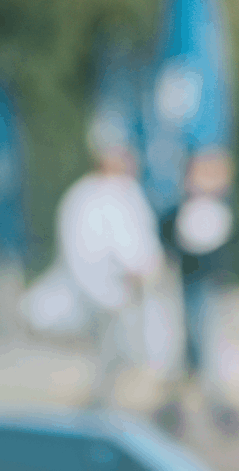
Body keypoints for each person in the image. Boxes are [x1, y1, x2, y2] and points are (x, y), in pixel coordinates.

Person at [57, 115, 165, 412]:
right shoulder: (90, 197)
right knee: (117, 366)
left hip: (124, 296)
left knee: (128, 365)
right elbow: (93, 253)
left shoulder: (121, 192)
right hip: (109, 298)